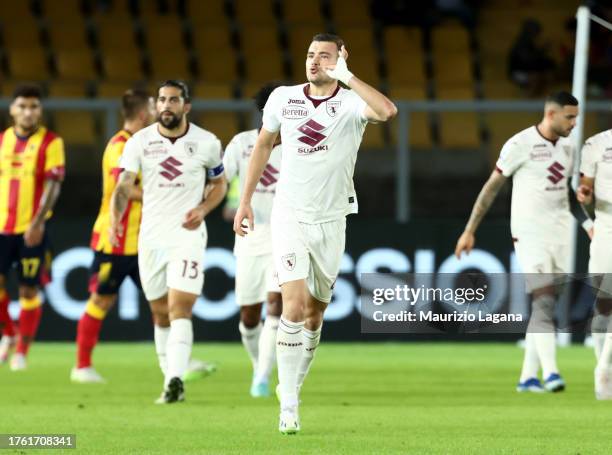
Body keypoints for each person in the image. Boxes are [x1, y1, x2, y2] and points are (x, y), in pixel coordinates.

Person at [233, 33, 397, 434]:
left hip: (332, 218)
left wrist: (348, 76)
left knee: (315, 313)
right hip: (289, 216)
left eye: (324, 56)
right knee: (291, 305)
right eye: (310, 54)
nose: (314, 61)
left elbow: (388, 111)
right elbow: (263, 145)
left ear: (341, 58)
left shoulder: (351, 102)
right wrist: (245, 200)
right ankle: (288, 405)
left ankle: (293, 384)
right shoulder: (283, 99)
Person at [455, 91, 591, 394]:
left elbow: (569, 196)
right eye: (570, 117)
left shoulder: (569, 148)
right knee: (543, 299)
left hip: (561, 233)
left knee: (546, 304)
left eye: (577, 117)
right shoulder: (520, 144)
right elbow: (491, 188)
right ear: (551, 114)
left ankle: (528, 377)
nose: (574, 123)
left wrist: (589, 224)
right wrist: (469, 229)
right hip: (529, 233)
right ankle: (552, 373)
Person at [110, 80, 226, 403]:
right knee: (160, 313)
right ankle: (170, 382)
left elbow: (220, 183)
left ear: (186, 106)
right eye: (162, 100)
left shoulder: (206, 142)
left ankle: (175, 378)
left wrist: (203, 209)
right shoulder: (139, 143)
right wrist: (115, 223)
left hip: (186, 238)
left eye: (173, 100)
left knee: (179, 309)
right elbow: (123, 187)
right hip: (150, 239)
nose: (166, 106)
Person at [223, 82, 283, 398]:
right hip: (249, 235)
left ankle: (262, 377)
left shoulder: (300, 145)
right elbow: (220, 179)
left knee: (276, 303)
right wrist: (219, 203)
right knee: (249, 315)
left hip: (285, 235)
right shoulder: (242, 144)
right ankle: (260, 364)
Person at [0, 84, 65, 370]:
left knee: (28, 291)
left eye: (34, 107)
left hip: (31, 230)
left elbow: (53, 186)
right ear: (13, 109)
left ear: (40, 110)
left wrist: (38, 222)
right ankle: (9, 334)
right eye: (23, 106)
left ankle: (22, 352)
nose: (28, 112)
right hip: (1, 228)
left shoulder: (51, 142)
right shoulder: (2, 140)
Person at [576, 129, 612, 399]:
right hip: (605, 227)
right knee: (602, 308)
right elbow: (585, 186)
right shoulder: (596, 144)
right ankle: (602, 370)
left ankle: (604, 367)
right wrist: (585, 194)